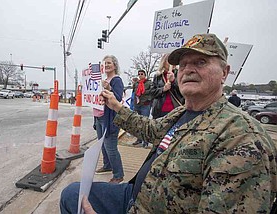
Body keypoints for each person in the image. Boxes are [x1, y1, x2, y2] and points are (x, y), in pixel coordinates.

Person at [60, 33, 277, 213]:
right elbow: (150, 129)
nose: (188, 69)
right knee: (71, 195)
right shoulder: (183, 112)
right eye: (183, 65)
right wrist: (116, 105)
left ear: (225, 73)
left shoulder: (242, 138)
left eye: (201, 62)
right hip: (136, 195)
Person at [93, 55, 125, 184]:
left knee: (111, 147)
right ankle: (107, 165)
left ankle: (118, 174)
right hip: (99, 117)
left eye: (109, 63)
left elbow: (117, 98)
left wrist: (109, 88)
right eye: (104, 63)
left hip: (110, 119)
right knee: (102, 145)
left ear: (115, 65)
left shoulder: (116, 80)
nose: (106, 65)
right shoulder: (102, 80)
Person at [151, 53, 184, 119]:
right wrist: (163, 89)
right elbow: (152, 92)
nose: (173, 64)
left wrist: (174, 81)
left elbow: (183, 91)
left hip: (176, 110)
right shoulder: (158, 76)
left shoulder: (180, 74)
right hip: (160, 110)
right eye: (170, 61)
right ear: (164, 62)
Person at [131, 69, 152, 148]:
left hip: (145, 105)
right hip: (137, 105)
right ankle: (139, 139)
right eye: (139, 74)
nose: (140, 75)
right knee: (138, 123)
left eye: (142, 74)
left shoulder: (149, 83)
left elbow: (152, 93)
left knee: (145, 123)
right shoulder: (136, 84)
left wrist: (148, 100)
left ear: (145, 75)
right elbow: (134, 94)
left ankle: (145, 141)